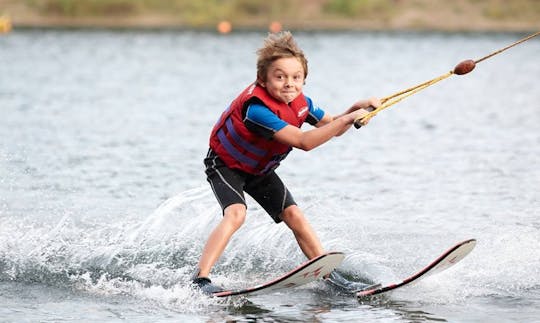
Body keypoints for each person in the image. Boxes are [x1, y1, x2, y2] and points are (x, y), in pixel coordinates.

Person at [192, 31, 381, 294]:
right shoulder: (256, 110)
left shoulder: (302, 104)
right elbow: (304, 142)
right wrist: (347, 119)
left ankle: (329, 276)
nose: (289, 84)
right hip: (226, 165)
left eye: (296, 77)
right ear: (263, 79)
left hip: (259, 169)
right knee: (236, 213)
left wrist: (356, 109)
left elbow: (333, 127)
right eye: (279, 77)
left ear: (304, 79)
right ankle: (200, 279)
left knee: (294, 215)